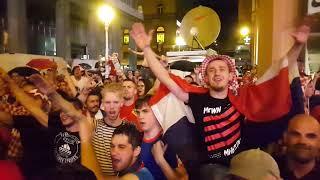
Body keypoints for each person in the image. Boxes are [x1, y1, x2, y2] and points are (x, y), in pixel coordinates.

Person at [130, 21, 310, 178]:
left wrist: (297, 45)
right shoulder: (197, 99)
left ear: (230, 75)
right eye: (212, 70)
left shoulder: (242, 98)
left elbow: (279, 71)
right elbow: (167, 79)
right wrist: (146, 48)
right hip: (211, 169)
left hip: (241, 164)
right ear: (205, 77)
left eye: (222, 69)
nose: (217, 73)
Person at [135, 95, 182, 180]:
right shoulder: (136, 138)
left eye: (145, 111)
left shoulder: (168, 142)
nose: (140, 116)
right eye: (138, 112)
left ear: (157, 112)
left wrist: (160, 160)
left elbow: (180, 178)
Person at [92, 83, 127, 176]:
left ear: (121, 103)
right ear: (102, 103)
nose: (112, 106)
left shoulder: (128, 128)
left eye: (115, 102)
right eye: (108, 102)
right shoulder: (94, 125)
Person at [275, 114, 320, 179]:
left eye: (311, 136)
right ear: (285, 137)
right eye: (296, 134)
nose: (302, 141)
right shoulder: (267, 169)